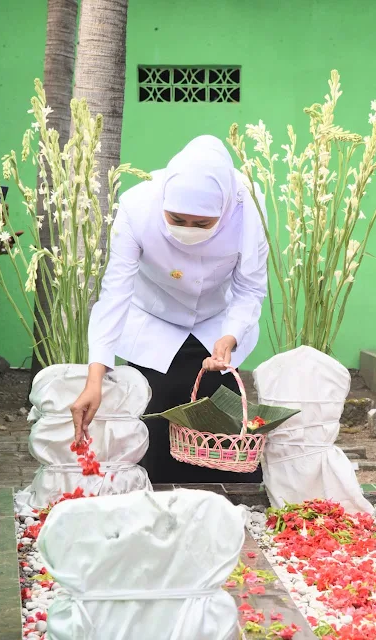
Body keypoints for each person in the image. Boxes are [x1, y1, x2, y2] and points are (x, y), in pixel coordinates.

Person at [71, 135, 268, 484]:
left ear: (224, 208)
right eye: (177, 219)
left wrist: (231, 334)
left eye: (202, 223)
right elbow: (114, 293)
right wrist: (95, 378)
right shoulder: (137, 206)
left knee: (223, 427)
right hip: (153, 321)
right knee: (156, 422)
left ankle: (232, 509)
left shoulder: (249, 208)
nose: (187, 230)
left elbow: (250, 287)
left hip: (215, 324)